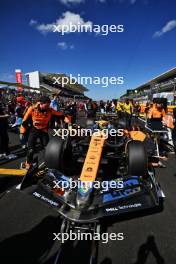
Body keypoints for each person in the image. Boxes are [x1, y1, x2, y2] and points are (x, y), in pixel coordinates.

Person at [20, 96, 65, 167]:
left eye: (49, 105)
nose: (48, 107)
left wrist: (67, 117)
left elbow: (61, 115)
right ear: (41, 103)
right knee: (31, 150)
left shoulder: (50, 110)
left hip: (43, 131)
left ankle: (49, 162)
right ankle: (27, 163)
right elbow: (24, 121)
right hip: (33, 130)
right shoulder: (32, 109)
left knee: (47, 148)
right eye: (46, 105)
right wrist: (23, 131)